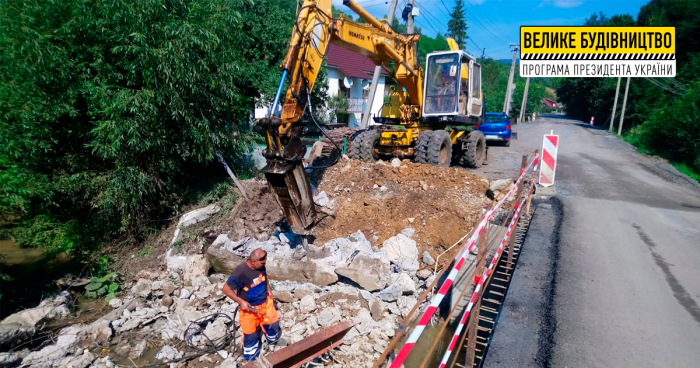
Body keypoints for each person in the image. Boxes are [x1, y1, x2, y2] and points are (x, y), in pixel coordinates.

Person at [222, 248, 281, 361]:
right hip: (250, 309)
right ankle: (252, 356)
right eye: (262, 262)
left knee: (272, 322)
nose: (265, 264)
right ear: (254, 261)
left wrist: (269, 290)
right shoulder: (240, 272)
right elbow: (226, 289)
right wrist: (241, 302)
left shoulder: (260, 266)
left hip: (265, 303)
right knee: (250, 333)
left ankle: (272, 340)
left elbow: (264, 278)